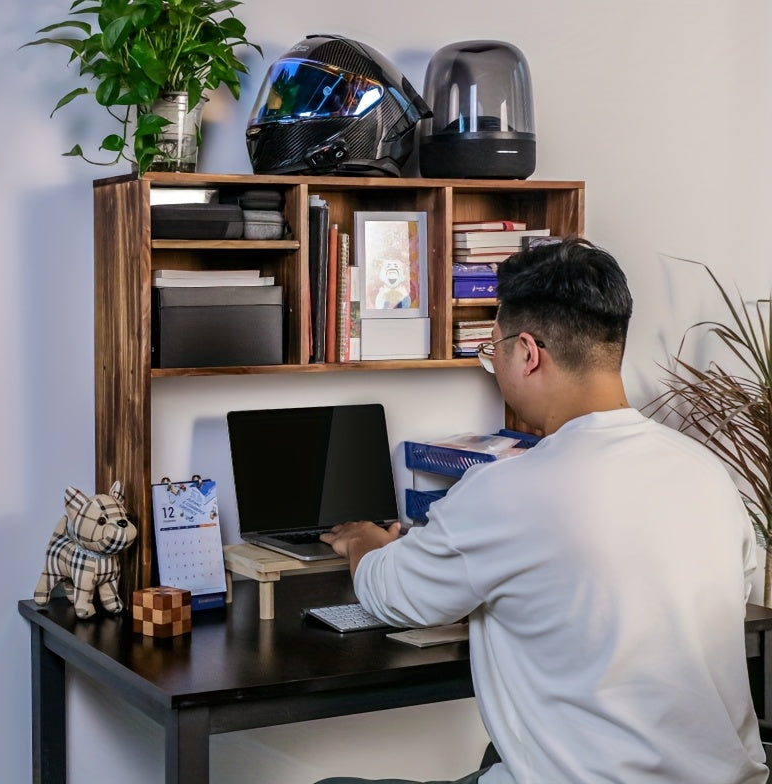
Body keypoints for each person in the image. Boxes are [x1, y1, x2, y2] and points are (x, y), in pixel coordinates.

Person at [316, 238, 767, 784]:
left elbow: (393, 596)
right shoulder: (706, 472)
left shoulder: (508, 489)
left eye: (493, 352)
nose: (496, 366)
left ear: (527, 352)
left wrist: (365, 541)